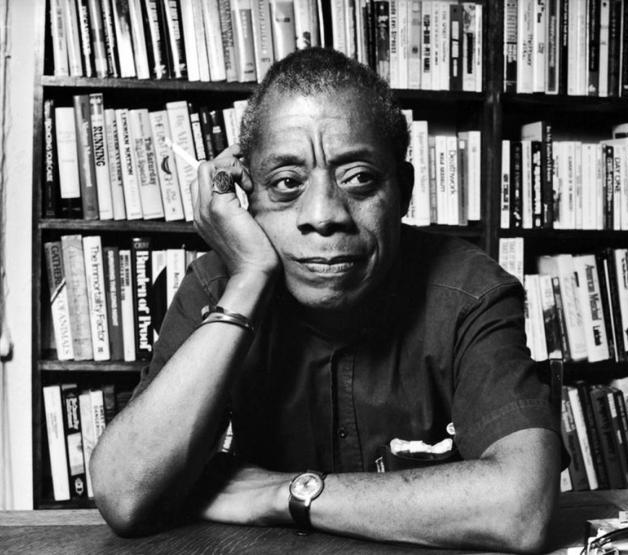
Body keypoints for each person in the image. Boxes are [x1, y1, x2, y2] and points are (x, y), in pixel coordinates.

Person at [90, 47, 563, 552]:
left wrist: (279, 494)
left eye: (358, 177)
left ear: (402, 190)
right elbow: (124, 493)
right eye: (287, 183)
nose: (323, 214)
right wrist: (249, 279)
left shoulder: (469, 290)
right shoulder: (218, 285)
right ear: (245, 195)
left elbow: (520, 507)